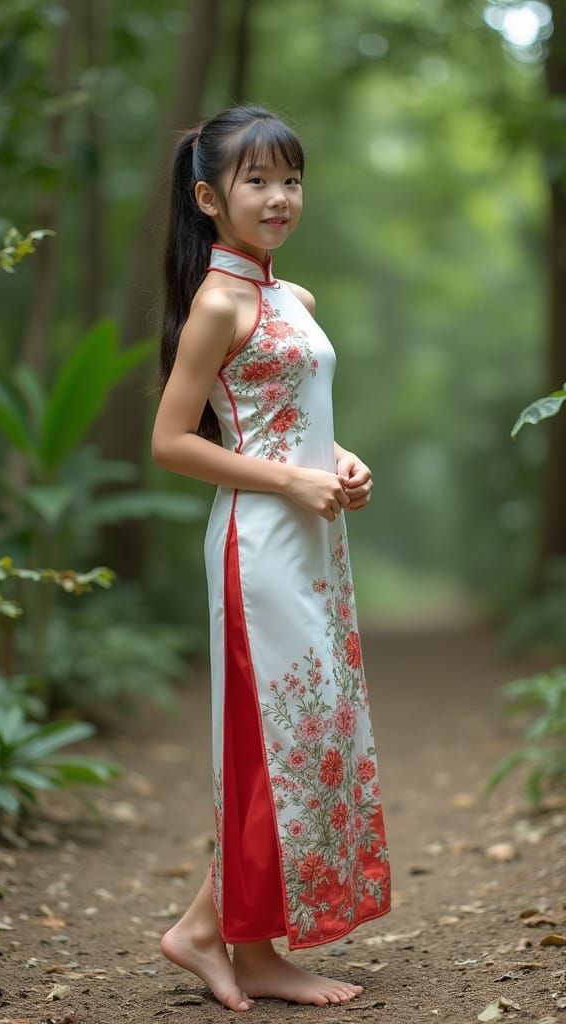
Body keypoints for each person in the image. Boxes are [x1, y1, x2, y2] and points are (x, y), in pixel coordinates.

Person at [151, 103, 391, 1012]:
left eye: (290, 179)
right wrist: (290, 484)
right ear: (211, 198)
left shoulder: (292, 300)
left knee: (307, 739)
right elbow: (171, 441)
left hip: (314, 544)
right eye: (257, 181)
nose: (280, 197)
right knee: (268, 745)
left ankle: (211, 930)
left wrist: (340, 461)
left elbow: (298, 425)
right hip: (258, 550)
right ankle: (242, 948)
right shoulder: (219, 301)